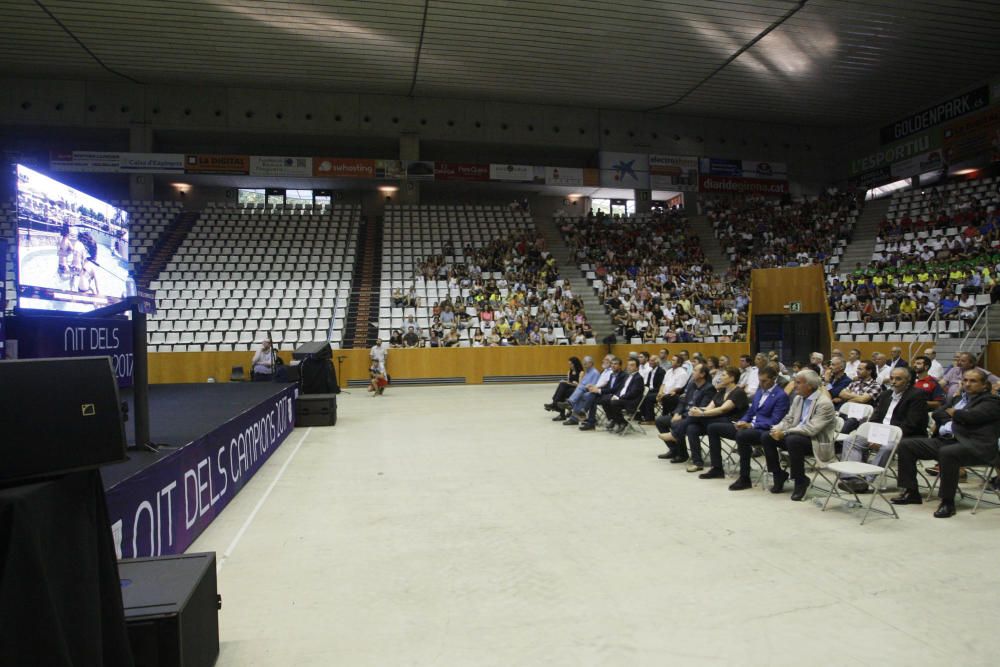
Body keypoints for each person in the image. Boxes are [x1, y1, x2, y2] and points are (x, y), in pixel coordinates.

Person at [891, 369, 1000, 518]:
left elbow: (973, 417)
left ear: (984, 386)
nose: (967, 384)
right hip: (947, 441)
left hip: (974, 446)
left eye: (973, 381)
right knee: (906, 445)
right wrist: (956, 416)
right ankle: (911, 492)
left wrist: (955, 414)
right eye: (965, 380)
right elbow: (938, 413)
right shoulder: (957, 399)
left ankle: (947, 502)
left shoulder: (991, 401)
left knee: (948, 453)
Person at [837, 367, 929, 494]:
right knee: (852, 440)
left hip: (904, 435)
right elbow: (875, 418)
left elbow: (911, 424)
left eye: (898, 379)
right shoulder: (886, 394)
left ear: (908, 380)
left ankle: (867, 481)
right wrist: (875, 436)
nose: (893, 382)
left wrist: (883, 439)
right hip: (881, 433)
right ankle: (851, 478)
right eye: (891, 378)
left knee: (887, 447)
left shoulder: (917, 395)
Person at [760, 369, 838, 501]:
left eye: (798, 383)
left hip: (815, 442)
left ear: (810, 386)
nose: (794, 385)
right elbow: (788, 419)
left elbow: (811, 429)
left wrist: (784, 433)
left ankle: (800, 480)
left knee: (793, 440)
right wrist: (776, 429)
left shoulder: (824, 403)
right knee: (767, 437)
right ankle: (778, 474)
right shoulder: (798, 399)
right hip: (795, 436)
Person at [710, 366, 790, 490]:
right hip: (749, 426)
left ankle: (744, 477)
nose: (761, 384)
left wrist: (751, 425)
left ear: (774, 379)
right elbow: (750, 411)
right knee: (713, 428)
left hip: (764, 430)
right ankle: (716, 468)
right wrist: (743, 421)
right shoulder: (759, 391)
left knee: (742, 435)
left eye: (765, 381)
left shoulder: (781, 396)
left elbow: (775, 421)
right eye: (760, 381)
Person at [688, 367, 750, 478]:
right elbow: (709, 407)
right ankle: (697, 462)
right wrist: (698, 410)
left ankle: (676, 433)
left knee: (706, 424)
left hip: (732, 422)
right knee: (692, 428)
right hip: (716, 419)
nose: (720, 377)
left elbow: (723, 409)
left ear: (732, 378)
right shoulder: (722, 391)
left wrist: (701, 414)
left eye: (724, 375)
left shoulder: (738, 392)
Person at [655, 364, 716, 463]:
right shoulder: (692, 384)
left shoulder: (709, 388)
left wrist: (682, 416)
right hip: (685, 414)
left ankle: (681, 452)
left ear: (702, 374)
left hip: (698, 419)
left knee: (680, 425)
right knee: (660, 421)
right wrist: (677, 413)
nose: (692, 372)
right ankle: (675, 450)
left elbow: (701, 408)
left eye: (695, 370)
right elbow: (682, 401)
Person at [601, 358, 645, 433]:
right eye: (628, 365)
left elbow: (633, 393)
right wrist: (616, 395)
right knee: (605, 399)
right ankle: (614, 420)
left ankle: (623, 422)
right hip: (623, 398)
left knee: (614, 402)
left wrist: (619, 397)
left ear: (637, 367)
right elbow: (621, 389)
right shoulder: (627, 376)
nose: (629, 367)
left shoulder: (638, 378)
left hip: (631, 401)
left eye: (632, 365)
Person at [560, 356, 600, 426]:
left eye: (585, 364)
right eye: (583, 364)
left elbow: (594, 385)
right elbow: (582, 383)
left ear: (590, 363)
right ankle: (572, 410)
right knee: (579, 392)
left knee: (580, 393)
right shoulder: (587, 372)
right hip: (583, 391)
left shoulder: (595, 373)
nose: (584, 366)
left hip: (591, 392)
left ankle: (571, 407)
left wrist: (584, 387)